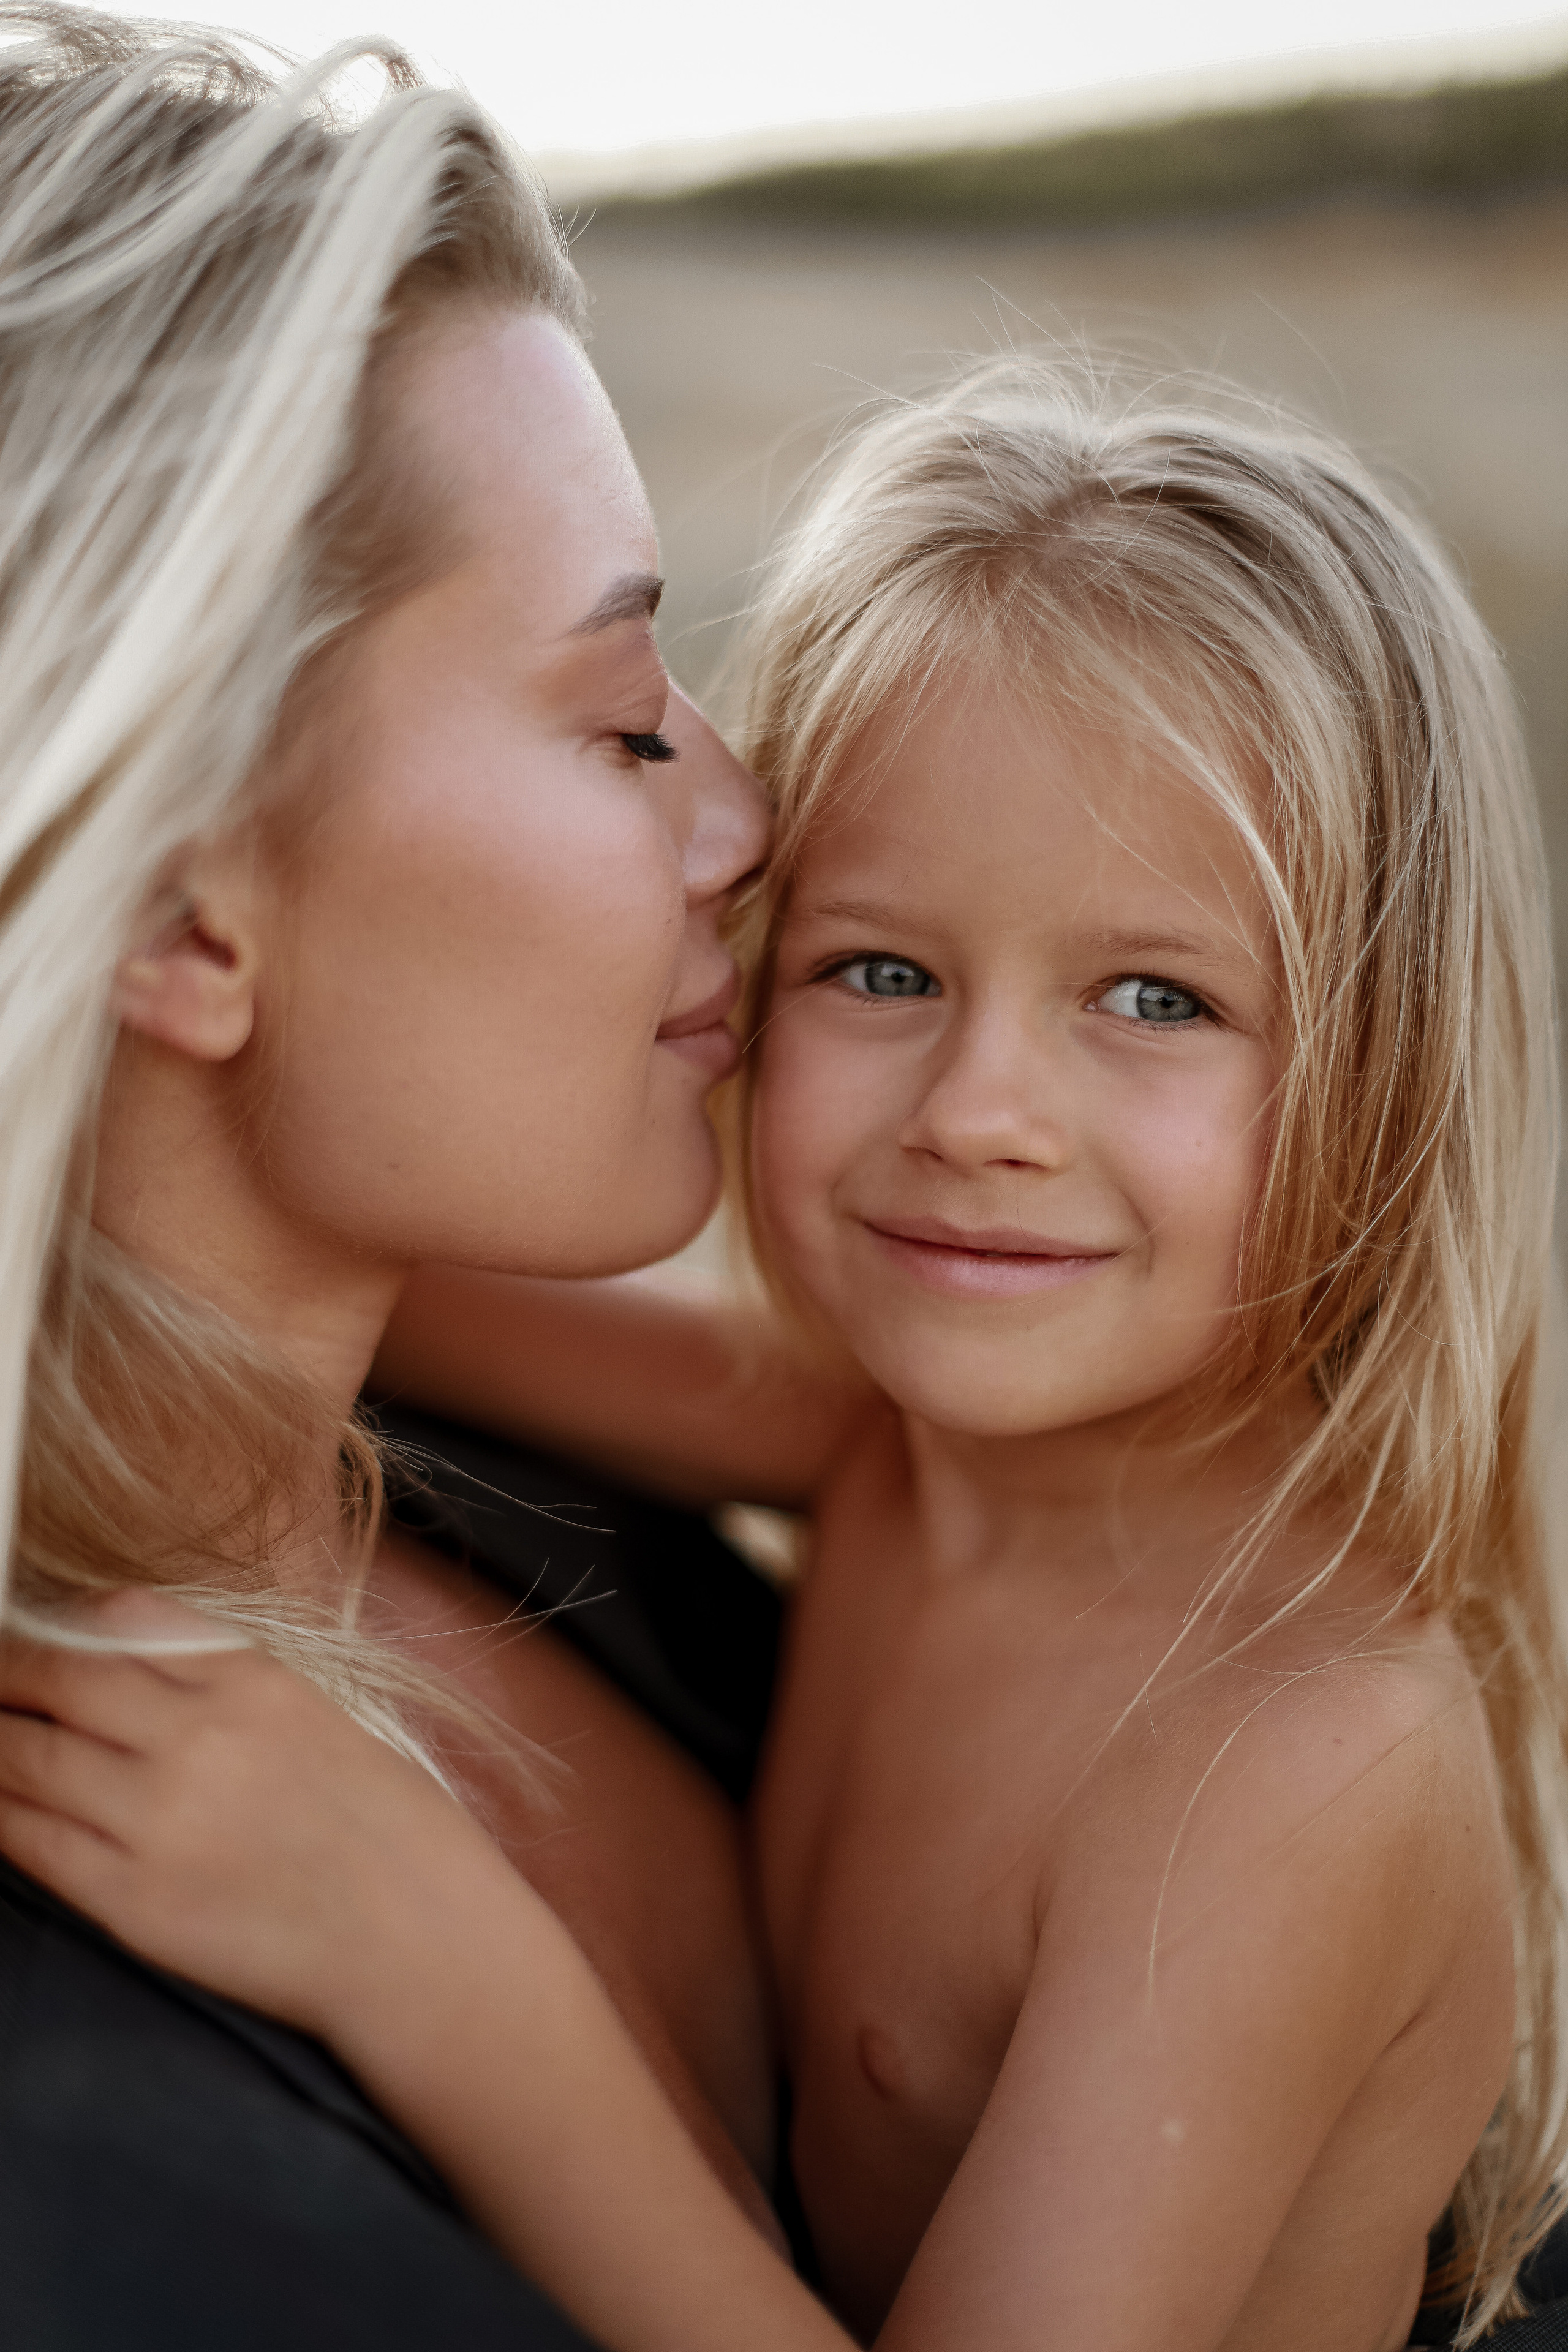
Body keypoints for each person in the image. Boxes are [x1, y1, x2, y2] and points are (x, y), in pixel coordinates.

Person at [9, 360, 1568, 2352]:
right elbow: (278, 1244)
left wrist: (447, 1972)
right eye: (882, 969)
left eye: (1154, 998)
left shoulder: (1289, 1756)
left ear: (1395, 1071)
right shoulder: (894, 1444)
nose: (979, 1113)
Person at [0, 7, 780, 2344]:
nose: (744, 819)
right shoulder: (71, 2140)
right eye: (622, 723)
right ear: (178, 915)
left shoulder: (504, 1470)